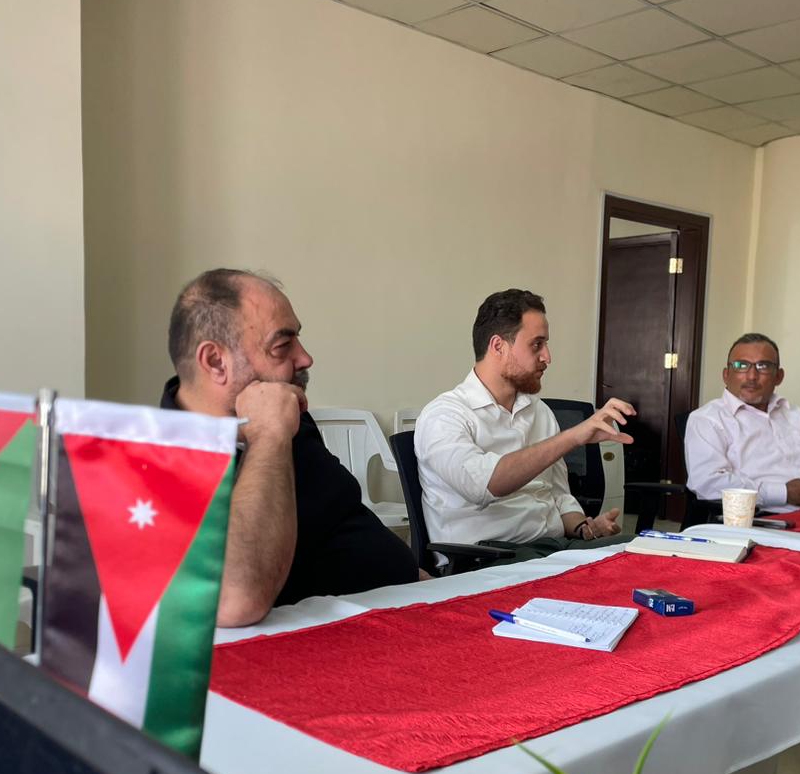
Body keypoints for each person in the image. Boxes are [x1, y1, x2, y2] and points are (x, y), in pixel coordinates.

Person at [163, 268, 419, 626]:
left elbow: (346, 525)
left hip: (404, 611)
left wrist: (423, 582)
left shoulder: (292, 419)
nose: (305, 358)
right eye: (282, 346)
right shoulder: (160, 459)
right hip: (312, 647)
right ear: (216, 362)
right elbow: (236, 601)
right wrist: (269, 435)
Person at [414, 289, 634, 561]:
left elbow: (558, 495)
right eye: (536, 344)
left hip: (553, 548)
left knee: (647, 551)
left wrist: (585, 528)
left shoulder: (539, 412)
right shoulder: (444, 416)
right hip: (490, 556)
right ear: (498, 346)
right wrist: (573, 437)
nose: (547, 357)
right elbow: (484, 486)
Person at [684, 333, 800, 512]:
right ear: (726, 375)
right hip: (759, 518)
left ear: (779, 376)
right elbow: (708, 483)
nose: (752, 376)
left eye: (763, 366)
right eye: (741, 366)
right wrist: (784, 493)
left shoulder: (794, 414)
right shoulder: (707, 419)